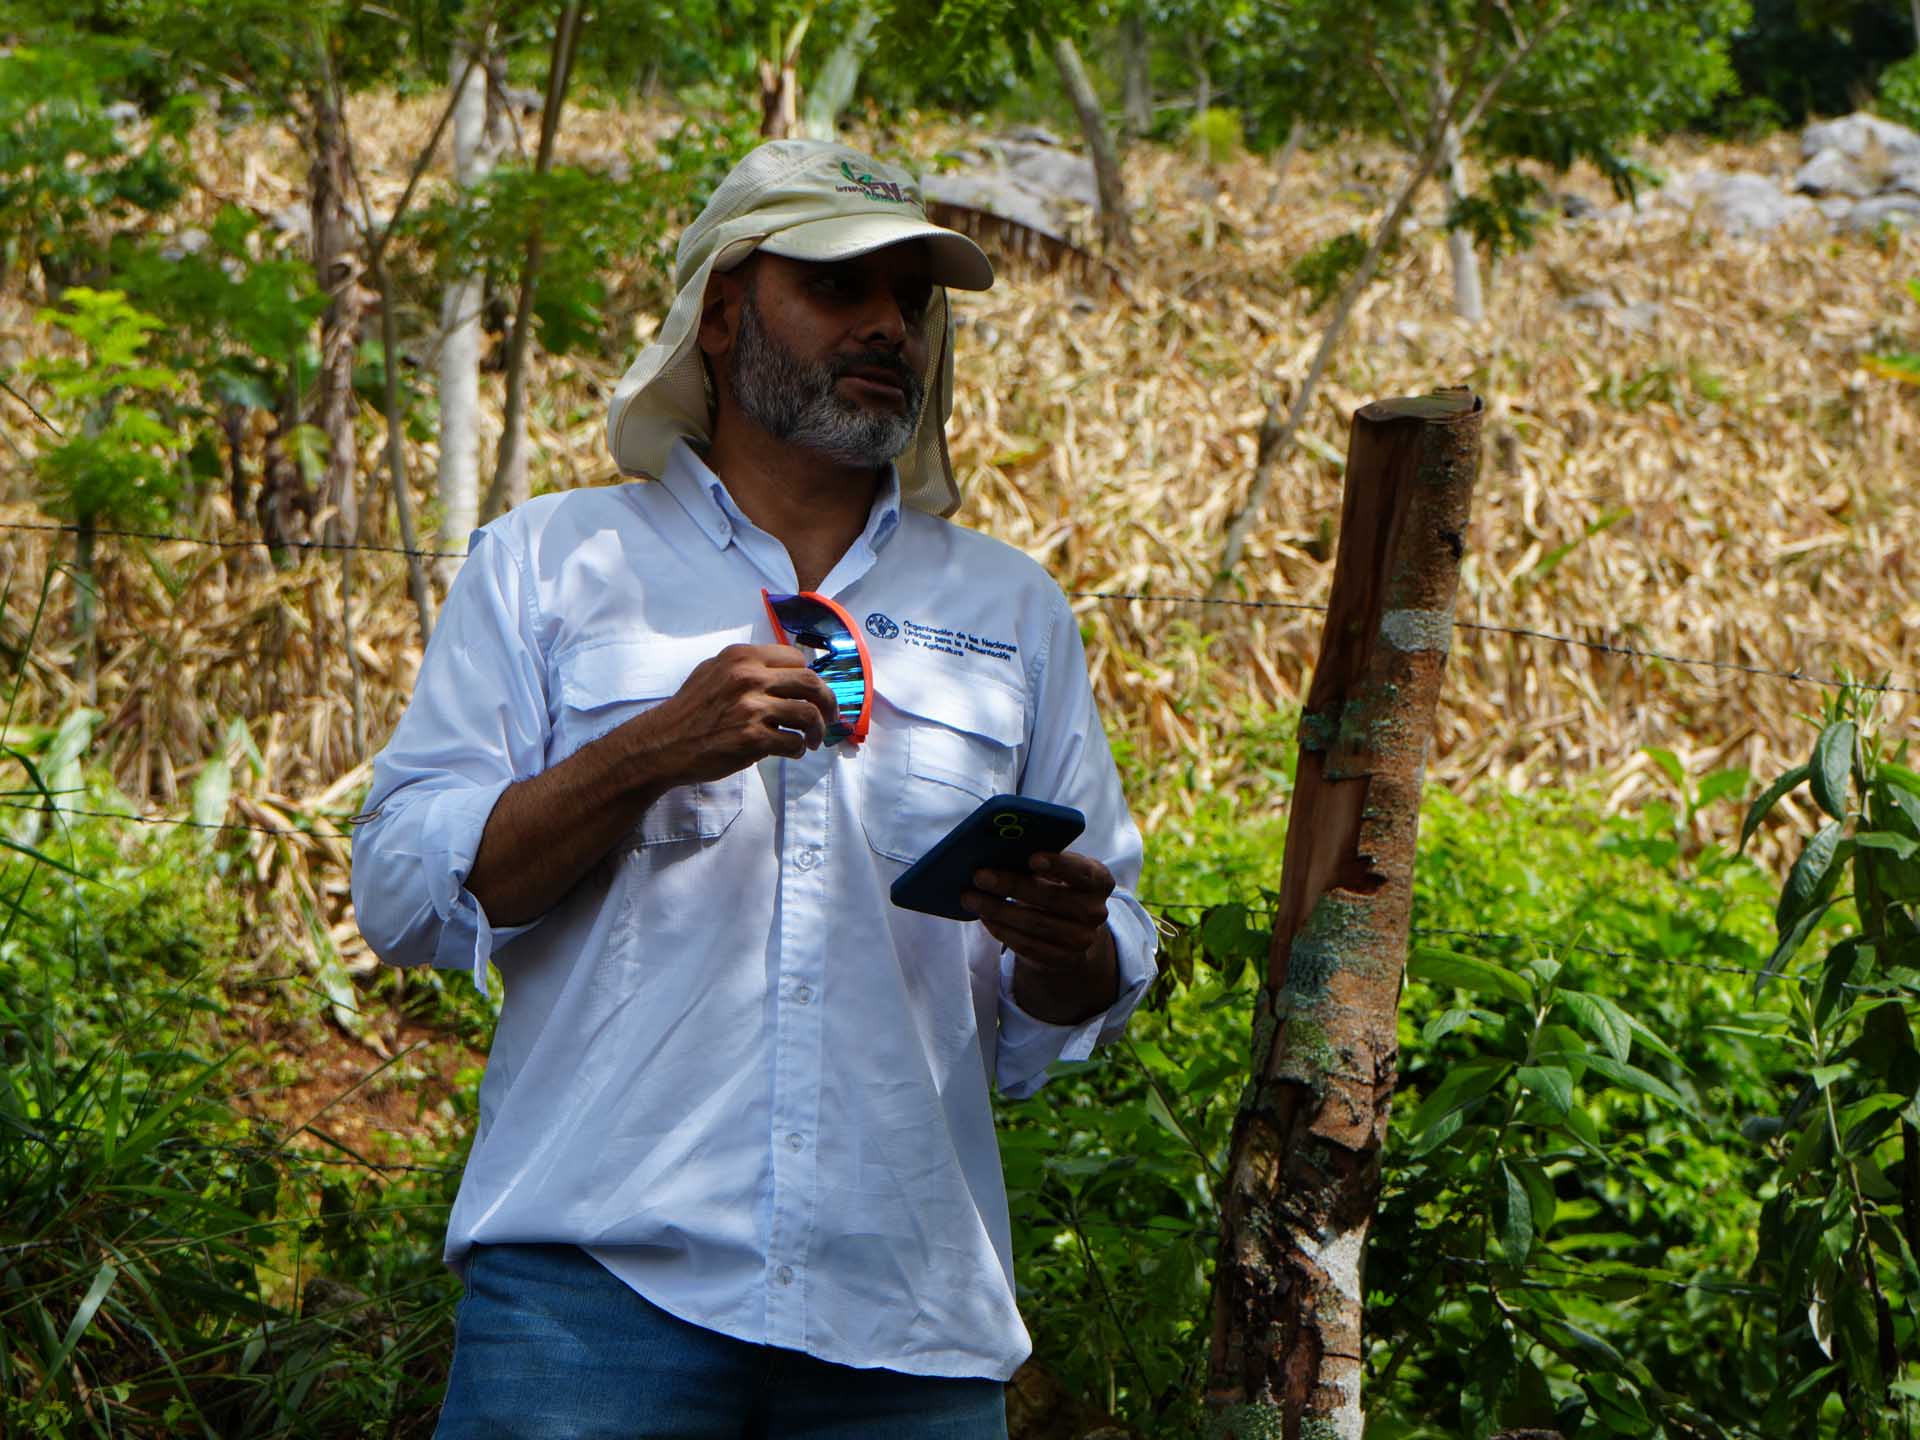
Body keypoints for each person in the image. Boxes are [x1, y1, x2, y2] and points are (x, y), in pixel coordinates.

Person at [351, 138, 1158, 1439]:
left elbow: (1079, 989)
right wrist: (648, 750)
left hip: (907, 1320)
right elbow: (401, 890)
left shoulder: (1010, 611)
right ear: (722, 313)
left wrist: (1072, 945)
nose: (888, 325)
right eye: (838, 286)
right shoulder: (550, 562)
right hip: (589, 1298)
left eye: (911, 299)